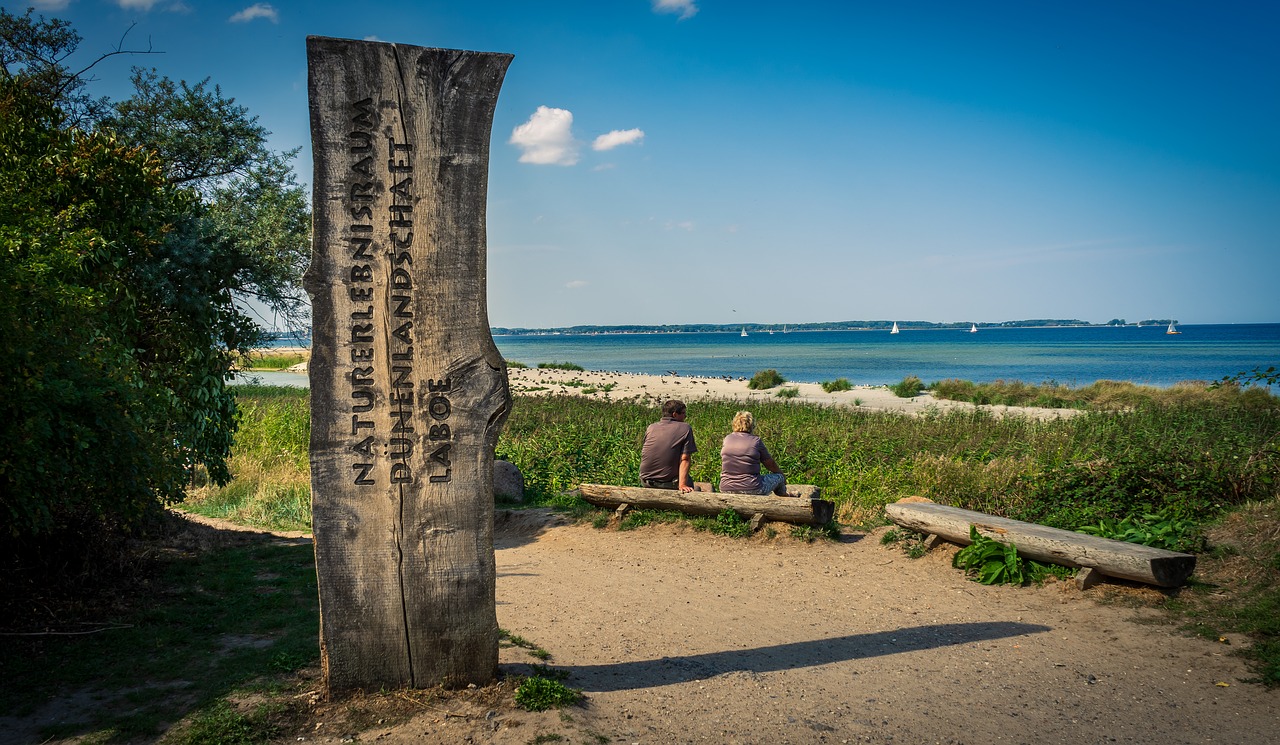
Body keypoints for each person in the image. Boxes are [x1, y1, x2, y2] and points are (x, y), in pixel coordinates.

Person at [718, 410, 788, 496]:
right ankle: (785, 497)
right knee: (779, 477)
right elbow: (770, 464)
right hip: (752, 488)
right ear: (751, 425)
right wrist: (781, 474)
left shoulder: (727, 439)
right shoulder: (756, 441)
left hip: (725, 487)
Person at [639, 399, 697, 492]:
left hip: (646, 481)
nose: (685, 416)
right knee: (690, 483)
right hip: (667, 483)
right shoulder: (685, 428)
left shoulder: (651, 427)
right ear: (674, 414)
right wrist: (682, 484)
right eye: (683, 413)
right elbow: (685, 458)